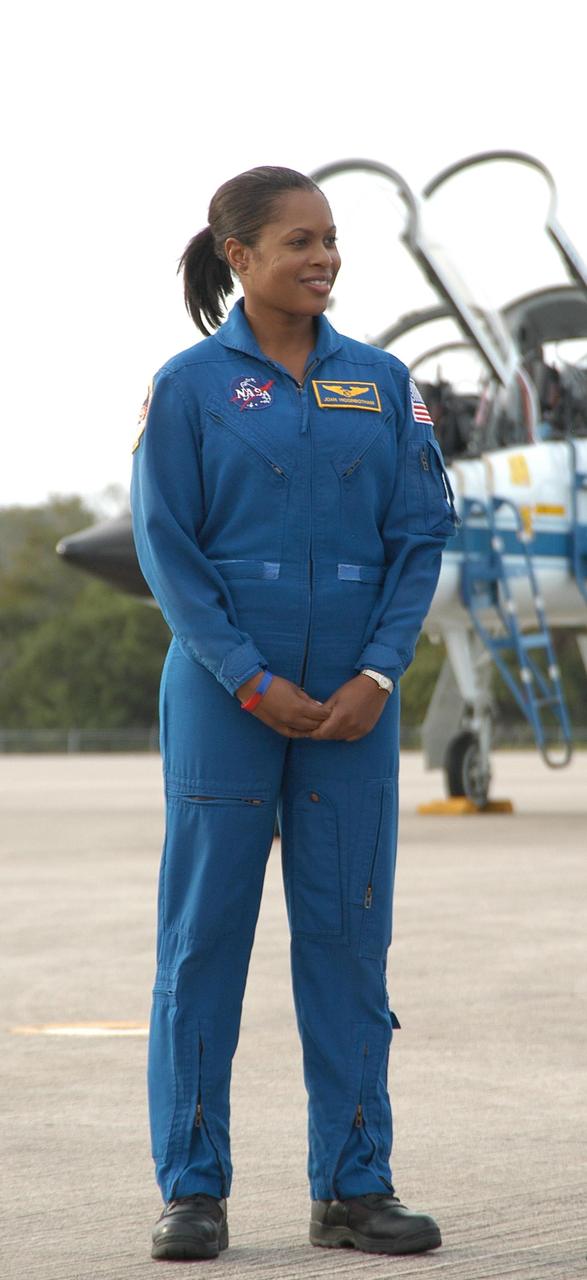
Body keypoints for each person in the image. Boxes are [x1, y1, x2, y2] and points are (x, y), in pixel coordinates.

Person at [130, 165, 459, 1263]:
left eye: (330, 241)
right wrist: (247, 675)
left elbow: (418, 535)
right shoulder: (186, 388)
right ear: (238, 255)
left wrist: (378, 671)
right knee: (201, 943)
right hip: (230, 695)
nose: (321, 258)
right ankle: (192, 1188)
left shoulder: (381, 383)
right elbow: (166, 549)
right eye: (297, 242)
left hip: (353, 707)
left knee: (346, 941)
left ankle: (352, 1186)